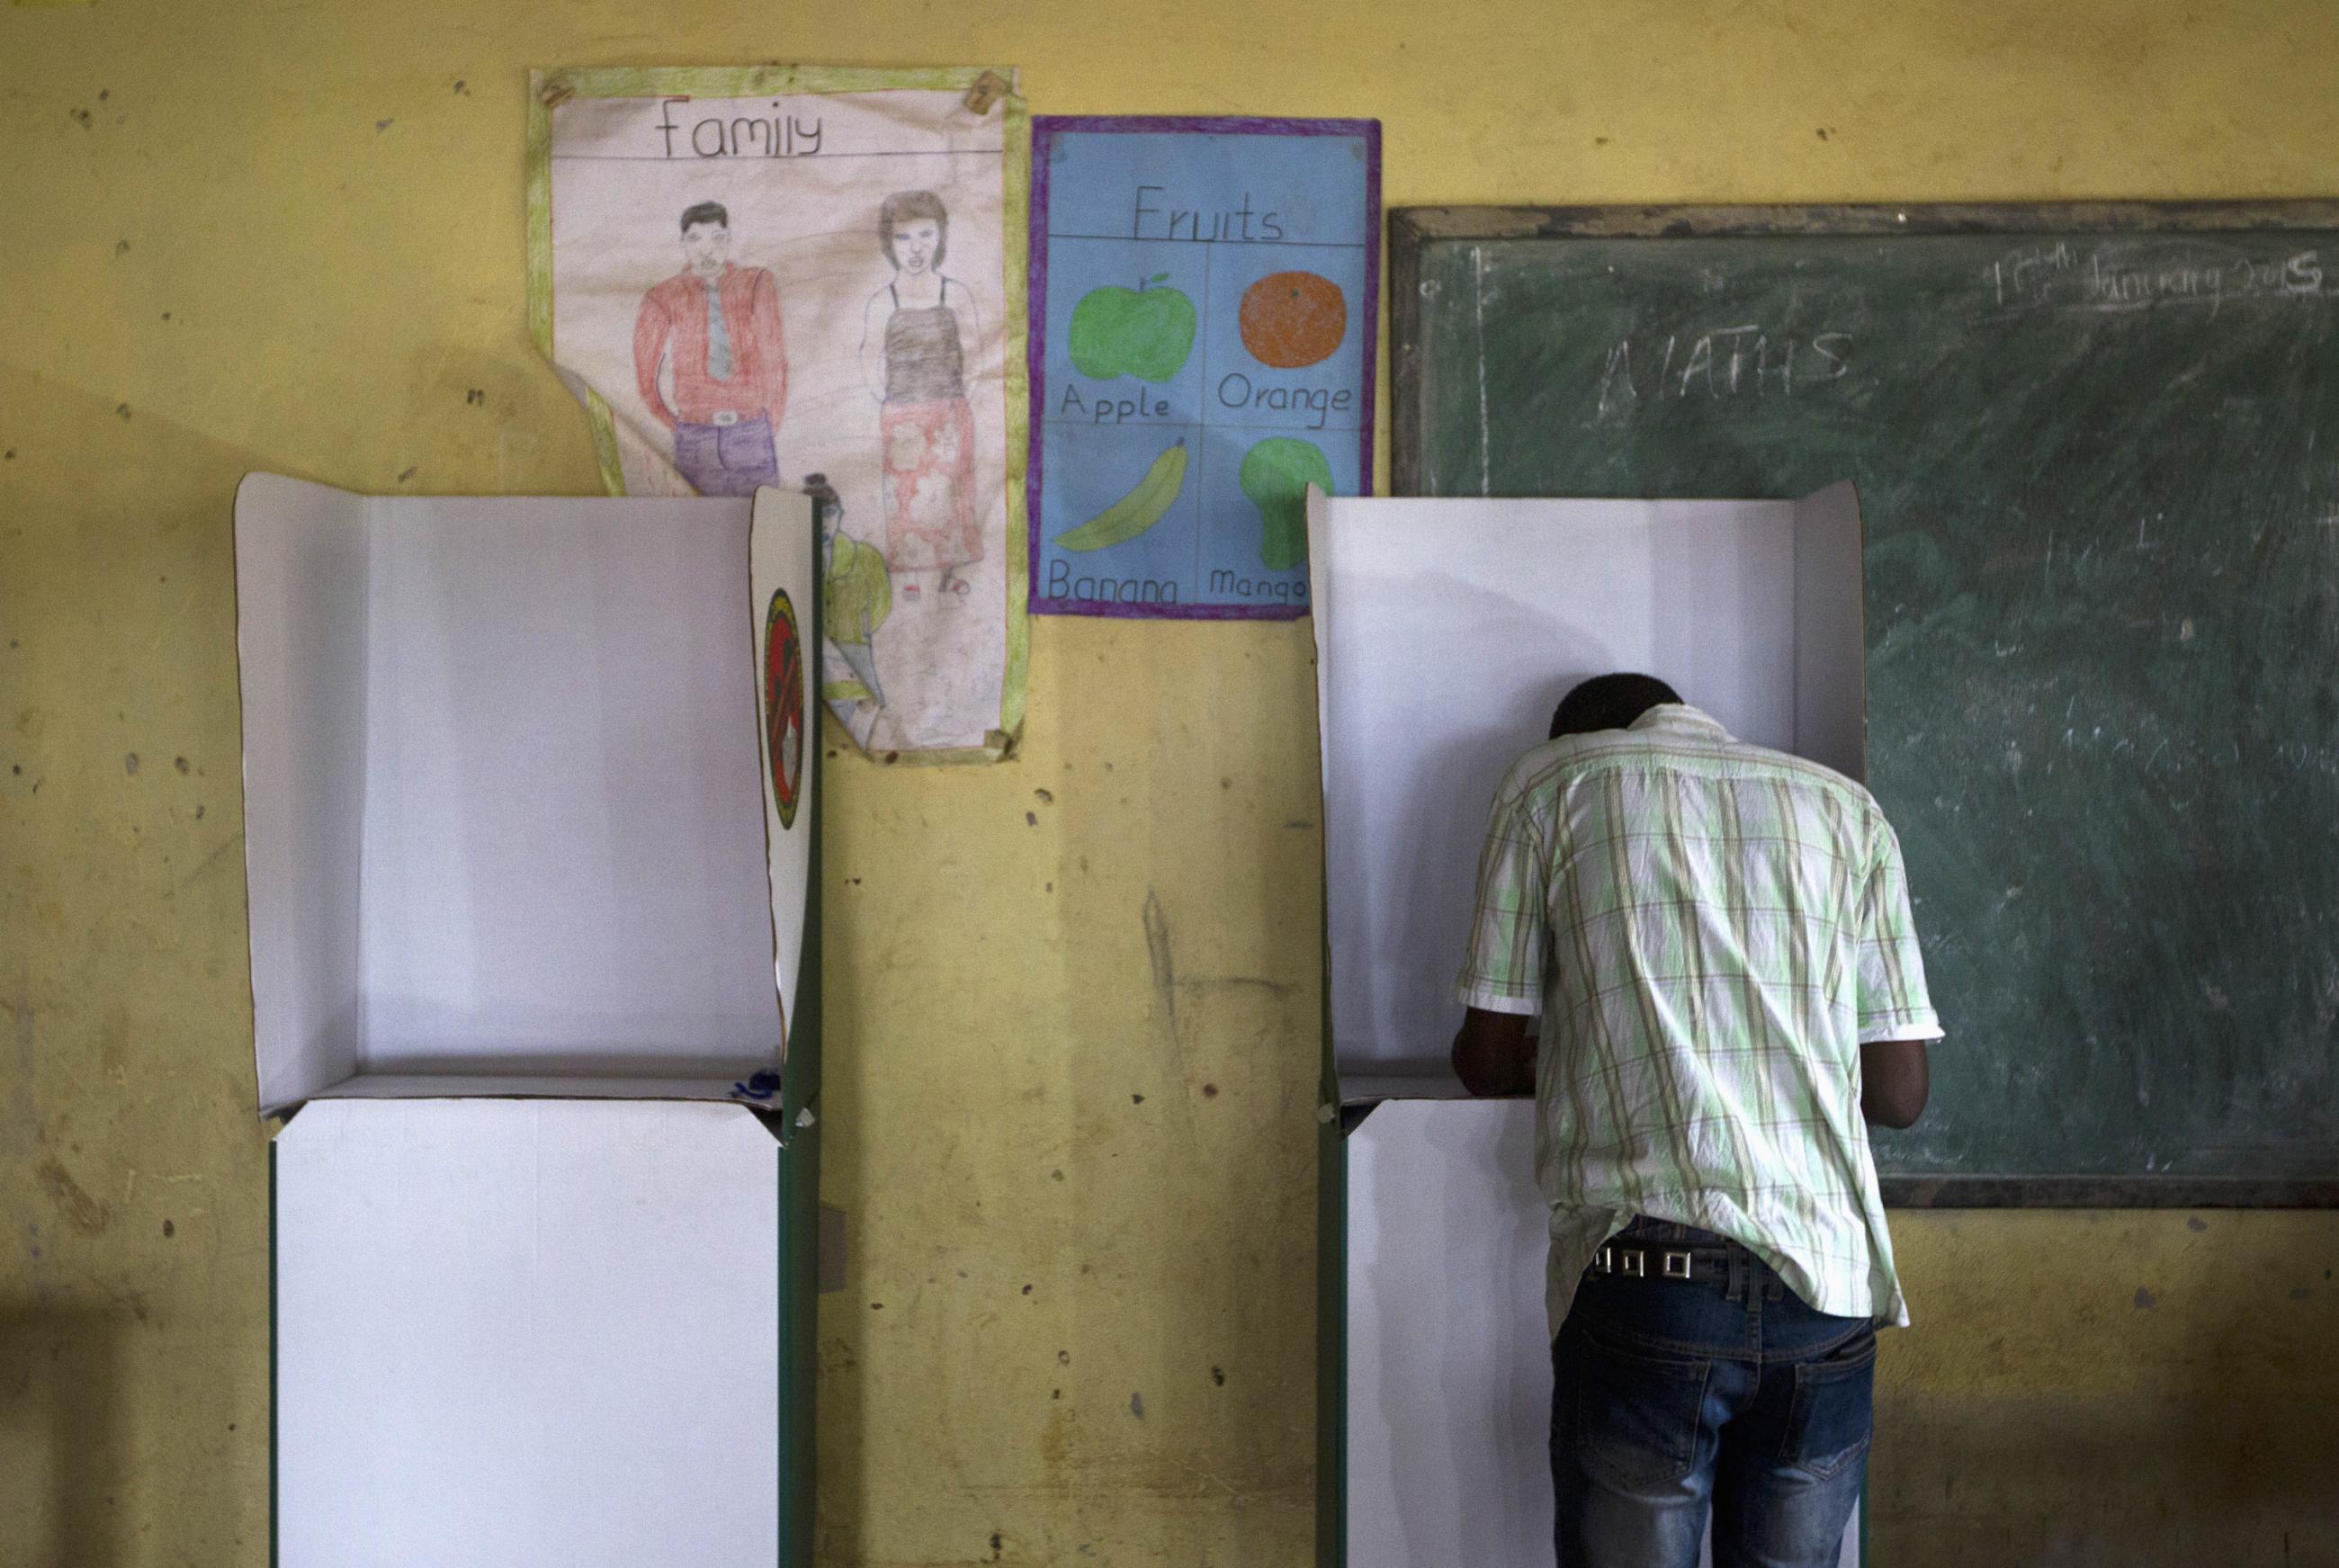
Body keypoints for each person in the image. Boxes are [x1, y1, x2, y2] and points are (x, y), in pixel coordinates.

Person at [1450, 673, 1942, 1568]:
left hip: (1653, 1276)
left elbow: (1485, 1059)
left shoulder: (1552, 784)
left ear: (1577, 739)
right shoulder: (1842, 809)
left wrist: (1581, 1040)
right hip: (1825, 1293)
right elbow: (1899, 1096)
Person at [861, 190, 983, 602]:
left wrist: (955, 398)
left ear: (941, 236)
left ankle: (951, 573)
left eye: (926, 235)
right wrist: (892, 403)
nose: (916, 248)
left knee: (952, 490)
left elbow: (976, 354)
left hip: (949, 410)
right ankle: (910, 576)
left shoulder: (956, 294)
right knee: (907, 494)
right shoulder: (883, 300)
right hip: (902, 413)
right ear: (888, 243)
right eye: (904, 238)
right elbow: (869, 357)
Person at [632, 201, 787, 497]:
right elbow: (645, 376)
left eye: (716, 238)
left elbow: (774, 358)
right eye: (695, 239)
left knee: (763, 523)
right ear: (683, 244)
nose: (707, 249)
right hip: (695, 436)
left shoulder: (756, 283)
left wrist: (769, 422)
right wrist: (677, 425)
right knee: (697, 528)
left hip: (751, 430)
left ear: (728, 239)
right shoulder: (663, 296)